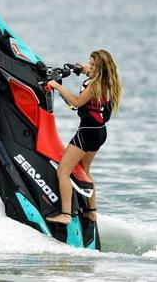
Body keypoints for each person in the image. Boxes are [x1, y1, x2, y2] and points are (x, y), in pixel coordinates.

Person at [45, 49, 123, 225]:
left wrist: (58, 87)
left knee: (63, 171)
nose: (91, 67)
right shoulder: (107, 82)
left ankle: (65, 214)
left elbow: (77, 102)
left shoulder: (94, 85)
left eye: (94, 65)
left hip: (87, 132)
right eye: (90, 63)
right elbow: (89, 72)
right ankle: (92, 211)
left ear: (101, 68)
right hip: (99, 132)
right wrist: (80, 69)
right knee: (85, 171)